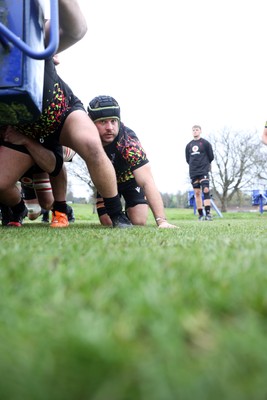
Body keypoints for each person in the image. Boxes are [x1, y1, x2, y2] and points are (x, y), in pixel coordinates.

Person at [0, 0, 131, 228]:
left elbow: (76, 29)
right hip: (24, 126)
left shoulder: (23, 28)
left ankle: (116, 213)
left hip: (61, 112)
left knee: (90, 144)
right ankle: (19, 208)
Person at [87, 95, 177, 229]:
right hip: (105, 180)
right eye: (103, 122)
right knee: (107, 222)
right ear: (91, 123)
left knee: (139, 221)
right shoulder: (85, 136)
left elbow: (147, 180)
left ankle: (130, 211)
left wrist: (161, 221)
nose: (110, 127)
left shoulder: (128, 143)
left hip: (129, 179)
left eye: (113, 121)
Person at [185, 125, 214, 221]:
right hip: (193, 171)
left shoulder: (205, 143)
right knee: (197, 193)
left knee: (205, 190)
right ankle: (200, 215)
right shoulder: (189, 145)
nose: (195, 131)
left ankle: (208, 214)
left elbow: (211, 156)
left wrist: (205, 165)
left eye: (196, 130)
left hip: (203, 170)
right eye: (193, 130)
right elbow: (188, 159)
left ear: (200, 131)